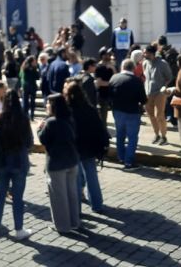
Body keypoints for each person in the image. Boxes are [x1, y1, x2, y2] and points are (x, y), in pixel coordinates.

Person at [0, 90, 33, 240]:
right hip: (19, 162)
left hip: (0, 162)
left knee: (0, 195)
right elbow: (29, 142)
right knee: (18, 198)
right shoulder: (24, 118)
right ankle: (19, 229)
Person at [63, 79, 108, 214]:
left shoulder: (67, 111)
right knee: (92, 175)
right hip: (89, 147)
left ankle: (76, 208)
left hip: (73, 148)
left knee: (75, 178)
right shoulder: (90, 109)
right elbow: (100, 128)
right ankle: (97, 204)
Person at [38, 93, 81, 233]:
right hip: (72, 161)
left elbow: (43, 139)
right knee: (72, 193)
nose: (46, 105)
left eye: (48, 103)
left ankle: (62, 226)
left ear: (54, 106)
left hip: (57, 164)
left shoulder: (51, 122)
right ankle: (74, 222)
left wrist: (39, 128)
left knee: (59, 196)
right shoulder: (70, 118)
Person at [109, 59, 148, 170]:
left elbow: (109, 95)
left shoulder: (114, 78)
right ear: (133, 68)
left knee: (120, 135)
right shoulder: (137, 81)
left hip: (117, 112)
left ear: (122, 67)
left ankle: (121, 157)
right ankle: (129, 162)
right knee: (132, 138)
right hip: (132, 113)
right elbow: (143, 100)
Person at [142, 45, 173, 145]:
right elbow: (145, 77)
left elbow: (169, 77)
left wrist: (164, 87)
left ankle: (164, 137)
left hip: (160, 92)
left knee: (159, 115)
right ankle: (157, 135)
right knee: (151, 115)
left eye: (146, 53)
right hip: (148, 92)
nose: (144, 54)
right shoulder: (145, 63)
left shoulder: (162, 63)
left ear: (152, 53)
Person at [95, 47, 116, 126]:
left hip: (112, 94)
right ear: (103, 56)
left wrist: (113, 68)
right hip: (102, 95)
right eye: (107, 55)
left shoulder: (112, 65)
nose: (109, 56)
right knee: (103, 116)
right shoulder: (99, 67)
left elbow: (116, 77)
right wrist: (111, 83)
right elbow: (99, 83)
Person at [20, 56, 40, 120]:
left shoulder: (23, 67)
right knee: (32, 101)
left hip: (25, 86)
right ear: (31, 61)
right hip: (32, 86)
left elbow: (20, 75)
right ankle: (31, 115)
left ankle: (25, 115)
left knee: (25, 101)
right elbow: (37, 77)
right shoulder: (33, 68)